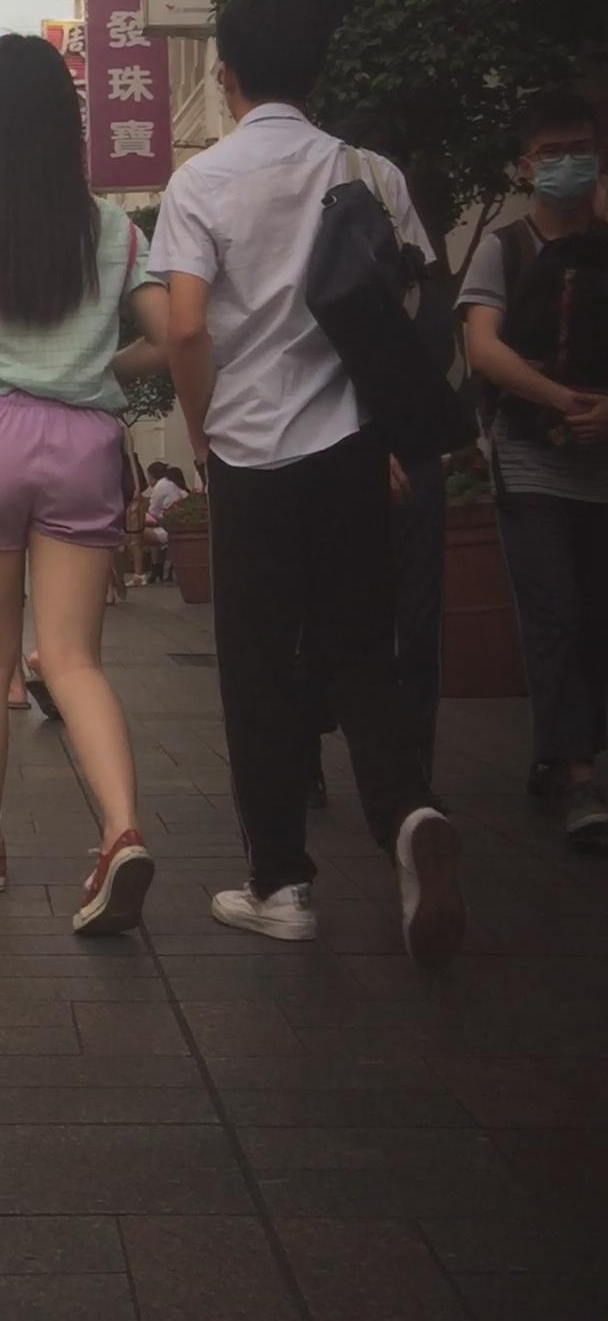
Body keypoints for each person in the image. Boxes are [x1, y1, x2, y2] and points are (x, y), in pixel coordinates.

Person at [150, 0, 465, 967]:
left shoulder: (200, 184)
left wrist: (202, 431)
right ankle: (408, 815)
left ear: (226, 77)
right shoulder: (369, 170)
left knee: (258, 669)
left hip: (249, 454)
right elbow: (411, 310)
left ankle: (280, 885)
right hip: (351, 450)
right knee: (363, 651)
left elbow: (186, 326)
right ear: (318, 73)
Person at [0, 32, 168, 935]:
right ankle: (121, 829)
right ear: (69, 122)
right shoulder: (114, 230)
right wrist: (99, 368)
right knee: (73, 658)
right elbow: (172, 333)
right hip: (84, 440)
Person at [461, 88, 608, 851]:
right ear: (525, 166)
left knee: (595, 619)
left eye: (580, 149)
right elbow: (482, 348)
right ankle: (578, 773)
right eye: (551, 153)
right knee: (555, 616)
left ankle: (561, 753)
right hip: (530, 461)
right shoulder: (505, 248)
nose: (567, 164)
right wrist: (561, 401)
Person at [306, 108, 449, 801]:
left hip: (389, 437)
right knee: (333, 611)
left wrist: (402, 432)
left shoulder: (381, 183)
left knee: (409, 617)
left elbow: (420, 312)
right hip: (330, 439)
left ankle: (408, 779)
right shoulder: (314, 191)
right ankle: (311, 753)